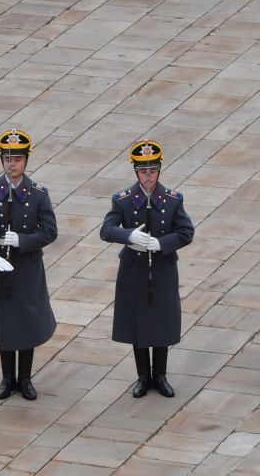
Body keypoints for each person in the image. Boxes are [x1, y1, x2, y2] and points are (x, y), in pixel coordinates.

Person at [0, 129, 58, 401]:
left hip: (27, 266)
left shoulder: (38, 194)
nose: (12, 164)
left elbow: (49, 232)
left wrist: (23, 241)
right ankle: (7, 378)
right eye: (8, 158)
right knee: (5, 321)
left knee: (26, 321)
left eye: (17, 159)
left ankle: (26, 378)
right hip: (0, 266)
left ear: (26, 161)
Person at [99, 140, 194, 398]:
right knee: (137, 321)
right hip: (134, 269)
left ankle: (160, 375)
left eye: (152, 170)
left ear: (159, 170)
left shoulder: (173, 200)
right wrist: (129, 236)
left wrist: (162, 243)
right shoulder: (124, 200)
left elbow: (186, 232)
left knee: (161, 320)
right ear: (136, 172)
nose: (149, 176)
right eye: (143, 171)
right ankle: (143, 375)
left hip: (162, 267)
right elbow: (106, 230)